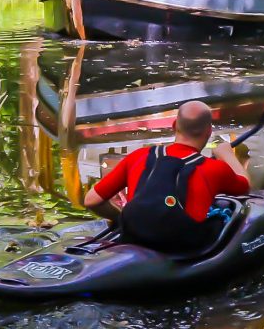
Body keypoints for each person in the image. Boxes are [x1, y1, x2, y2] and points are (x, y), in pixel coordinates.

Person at [82, 99, 251, 253]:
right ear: (208, 132)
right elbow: (245, 187)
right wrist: (227, 154)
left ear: (174, 125)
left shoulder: (139, 156)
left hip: (135, 241)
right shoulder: (215, 169)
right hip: (181, 249)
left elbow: (91, 200)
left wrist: (120, 217)